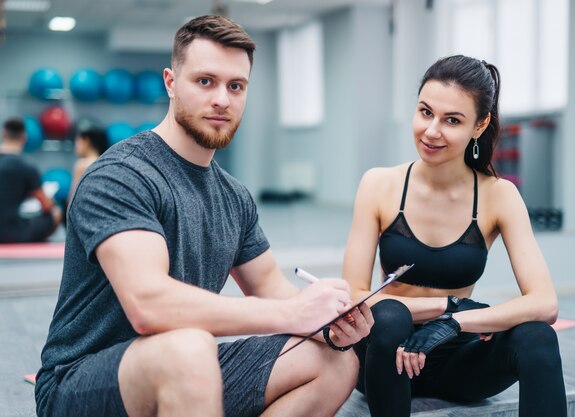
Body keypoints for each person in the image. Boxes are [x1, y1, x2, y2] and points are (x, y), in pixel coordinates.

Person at [35, 15, 373, 417]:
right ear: (170, 82)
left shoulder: (234, 196)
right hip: (81, 384)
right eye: (205, 81)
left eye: (236, 86)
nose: (222, 100)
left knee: (334, 361)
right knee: (189, 346)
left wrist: (330, 323)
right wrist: (293, 313)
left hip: (185, 369)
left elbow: (273, 289)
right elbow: (149, 306)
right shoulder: (121, 175)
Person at [343, 55, 566, 417]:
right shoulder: (379, 185)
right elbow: (355, 298)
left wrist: (453, 322)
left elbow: (545, 304)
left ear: (479, 126)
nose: (432, 130)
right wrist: (448, 305)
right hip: (385, 356)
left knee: (538, 337)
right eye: (425, 112)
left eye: (452, 120)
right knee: (389, 315)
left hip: (458, 359)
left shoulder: (498, 195)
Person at [0, 117, 62, 243]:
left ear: (4, 134)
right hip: (13, 234)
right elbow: (46, 205)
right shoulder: (27, 167)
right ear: (24, 138)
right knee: (56, 213)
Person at [68, 126, 109, 203]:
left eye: (77, 141)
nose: (75, 146)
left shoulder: (82, 164)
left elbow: (72, 199)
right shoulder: (106, 162)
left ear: (85, 141)